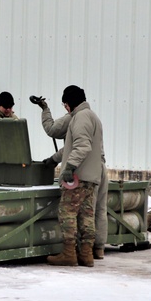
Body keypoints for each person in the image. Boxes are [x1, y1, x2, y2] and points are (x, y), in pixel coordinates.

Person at [36, 94, 110, 259]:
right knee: (90, 213)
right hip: (96, 170)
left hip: (80, 172)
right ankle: (90, 252)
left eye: (65, 104)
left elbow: (80, 146)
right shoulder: (93, 117)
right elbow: (72, 147)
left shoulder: (78, 117)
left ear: (68, 104)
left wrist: (69, 167)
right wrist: (54, 159)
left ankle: (69, 253)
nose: (65, 108)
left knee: (67, 212)